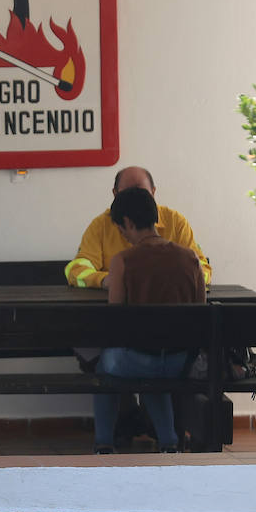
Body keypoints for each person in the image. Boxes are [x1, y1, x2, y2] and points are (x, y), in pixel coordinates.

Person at [92, 186, 204, 454]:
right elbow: (201, 311)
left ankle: (104, 443)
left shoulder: (123, 262)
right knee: (156, 361)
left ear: (128, 223)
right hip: (181, 362)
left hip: (137, 361)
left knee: (106, 367)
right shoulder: (190, 258)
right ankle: (168, 443)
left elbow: (116, 317)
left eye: (121, 229)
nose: (122, 234)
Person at [65, 166, 211, 292]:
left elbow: (202, 270)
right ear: (115, 195)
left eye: (142, 193)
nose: (135, 200)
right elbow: (77, 270)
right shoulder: (101, 225)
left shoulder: (175, 221)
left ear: (153, 192)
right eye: (127, 193)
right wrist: (107, 280)